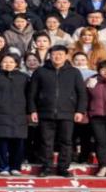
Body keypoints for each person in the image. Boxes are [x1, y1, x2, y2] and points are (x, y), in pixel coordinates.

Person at [29, 46, 88, 178]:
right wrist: (32, 110)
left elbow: (81, 93)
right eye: (54, 54)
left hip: (67, 112)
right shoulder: (40, 71)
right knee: (46, 141)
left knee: (66, 141)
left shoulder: (74, 72)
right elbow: (32, 93)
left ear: (66, 56)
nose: (57, 57)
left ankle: (63, 168)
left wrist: (80, 111)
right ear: (49, 56)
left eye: (60, 54)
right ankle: (47, 167)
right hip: (45, 112)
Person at [0, 54, 30, 176]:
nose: (8, 64)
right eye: (5, 61)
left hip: (19, 114)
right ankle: (2, 167)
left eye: (11, 62)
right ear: (0, 63)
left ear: (16, 64)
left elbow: (29, 94)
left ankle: (15, 167)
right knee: (0, 143)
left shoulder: (23, 78)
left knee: (18, 142)